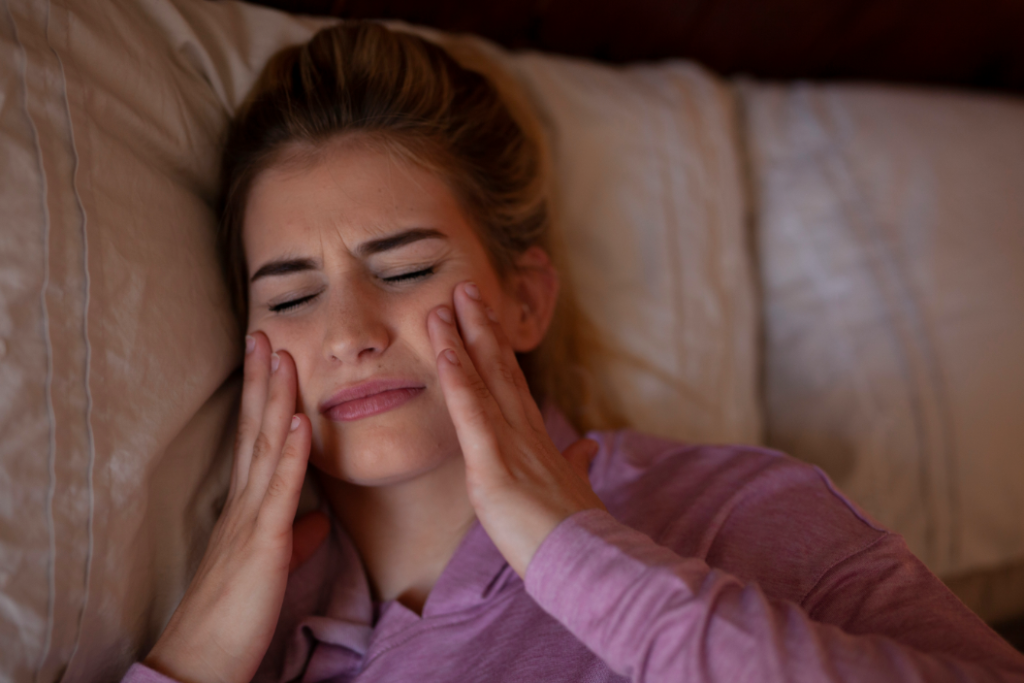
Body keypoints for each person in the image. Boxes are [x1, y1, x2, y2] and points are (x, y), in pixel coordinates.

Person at [123, 21, 1024, 683]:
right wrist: (194, 655)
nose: (351, 333)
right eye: (291, 295)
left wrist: (567, 549)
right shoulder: (256, 633)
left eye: (402, 269)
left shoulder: (728, 512)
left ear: (524, 300)